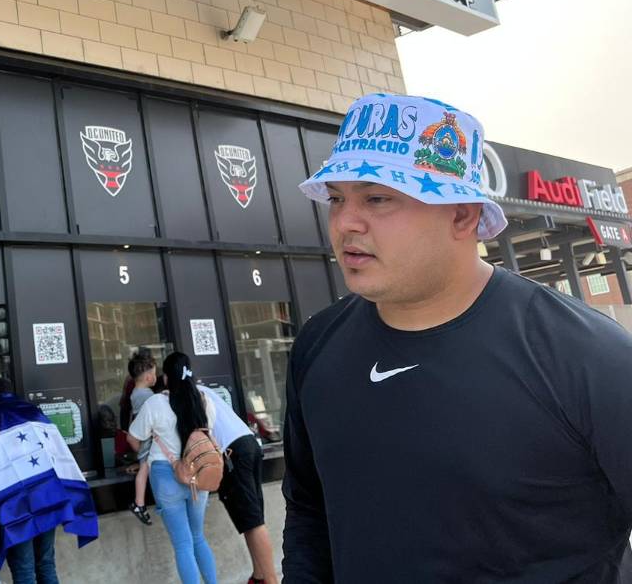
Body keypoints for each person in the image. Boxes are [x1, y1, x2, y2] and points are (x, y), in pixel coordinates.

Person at [283, 93, 632, 582]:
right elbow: (308, 514)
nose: (345, 223)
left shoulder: (587, 354)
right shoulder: (317, 348)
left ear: (463, 215)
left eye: (377, 197)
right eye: (337, 198)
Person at [0, 378, 98, 582]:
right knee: (46, 562)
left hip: (13, 502)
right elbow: (58, 452)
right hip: (48, 494)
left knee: (23, 569)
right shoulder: (31, 411)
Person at [127, 352, 219, 584]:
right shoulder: (204, 400)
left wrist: (146, 448)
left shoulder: (155, 403)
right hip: (199, 476)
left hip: (165, 475)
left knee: (182, 544)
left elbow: (133, 438)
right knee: (198, 537)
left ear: (166, 378)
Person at [198, 385, 278, 584]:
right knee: (252, 520)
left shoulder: (186, 393)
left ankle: (271, 580)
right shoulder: (202, 388)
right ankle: (259, 576)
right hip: (248, 444)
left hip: (232, 454)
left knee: (252, 521)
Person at [125, 351, 157, 525]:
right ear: (147, 377)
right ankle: (139, 503)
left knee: (145, 468)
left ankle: (140, 503)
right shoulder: (148, 396)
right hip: (147, 439)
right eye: (153, 373)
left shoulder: (136, 393)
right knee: (145, 469)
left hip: (143, 436)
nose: (155, 377)